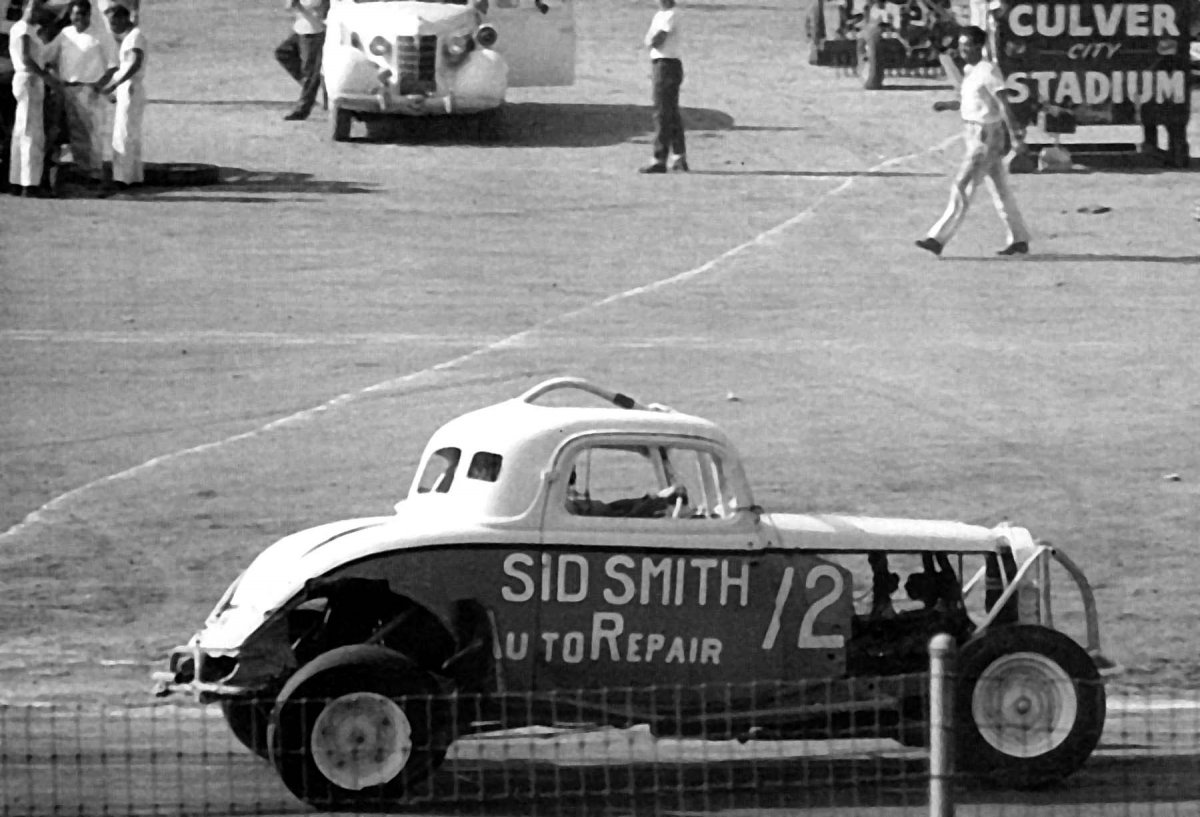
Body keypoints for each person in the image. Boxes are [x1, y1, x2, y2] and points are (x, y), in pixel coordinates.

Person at [915, 25, 1031, 257]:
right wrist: (947, 105)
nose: (962, 50)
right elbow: (974, 103)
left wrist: (1016, 136)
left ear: (980, 47)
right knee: (1000, 190)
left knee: (962, 185)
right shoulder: (972, 70)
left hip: (985, 136)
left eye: (967, 46)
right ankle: (1019, 239)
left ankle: (937, 238)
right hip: (977, 133)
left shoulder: (988, 72)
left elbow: (1003, 105)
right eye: (961, 46)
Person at [50, 0, 115, 184]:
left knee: (91, 132)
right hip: (68, 88)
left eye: (80, 15)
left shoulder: (101, 36)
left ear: (88, 15)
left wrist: (99, 85)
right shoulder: (65, 34)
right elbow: (49, 55)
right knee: (75, 131)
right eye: (74, 14)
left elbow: (113, 66)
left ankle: (94, 173)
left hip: (89, 88)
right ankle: (81, 170)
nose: (76, 18)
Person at [8, 0, 61, 197]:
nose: (35, 11)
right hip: (29, 78)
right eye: (32, 7)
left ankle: (17, 179)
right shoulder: (23, 29)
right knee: (32, 132)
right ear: (25, 7)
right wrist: (46, 77)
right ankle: (30, 182)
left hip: (28, 78)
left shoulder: (31, 29)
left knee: (22, 130)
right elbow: (26, 57)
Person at [98, 0, 143, 190]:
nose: (113, 27)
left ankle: (122, 178)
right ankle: (131, 176)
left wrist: (115, 85)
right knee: (128, 133)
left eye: (115, 23)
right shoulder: (129, 37)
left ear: (125, 18)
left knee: (123, 134)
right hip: (127, 87)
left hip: (130, 87)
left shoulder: (134, 37)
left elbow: (134, 63)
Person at [639, 0, 687, 174]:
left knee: (662, 112)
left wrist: (650, 41)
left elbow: (658, 39)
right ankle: (678, 155)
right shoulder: (660, 15)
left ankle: (660, 158)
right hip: (660, 62)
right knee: (671, 112)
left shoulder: (671, 15)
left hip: (667, 63)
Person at [275, 0, 327, 122]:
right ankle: (312, 90)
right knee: (283, 53)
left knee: (310, 71)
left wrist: (297, 5)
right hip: (302, 28)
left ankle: (303, 109)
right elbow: (289, 6)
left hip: (314, 30)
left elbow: (316, 6)